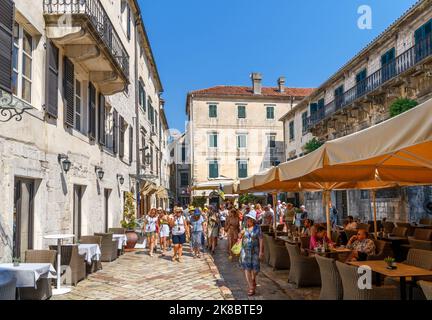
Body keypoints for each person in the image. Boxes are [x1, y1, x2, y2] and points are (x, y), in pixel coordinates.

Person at [238, 210, 264, 297]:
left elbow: (261, 239)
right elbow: (239, 237)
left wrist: (261, 251)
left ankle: (253, 279)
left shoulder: (257, 228)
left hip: (255, 251)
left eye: (249, 219)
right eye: (247, 218)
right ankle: (251, 287)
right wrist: (240, 235)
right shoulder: (244, 227)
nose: (247, 220)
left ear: (253, 220)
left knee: (255, 269)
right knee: (247, 269)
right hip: (245, 251)